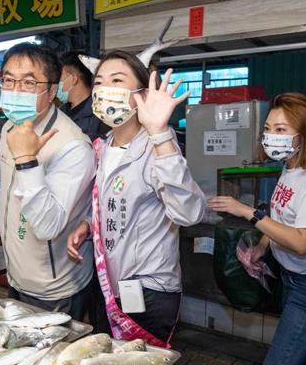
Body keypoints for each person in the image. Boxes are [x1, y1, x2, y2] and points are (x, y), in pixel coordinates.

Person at [208, 93, 306, 365]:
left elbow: (301, 242)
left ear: (305, 133)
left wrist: (247, 212)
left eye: (281, 130)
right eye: (268, 128)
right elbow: (283, 220)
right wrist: (262, 246)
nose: (270, 136)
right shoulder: (292, 168)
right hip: (295, 281)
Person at [66, 52, 205, 343]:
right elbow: (113, 204)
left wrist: (159, 132)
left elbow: (189, 214)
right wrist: (88, 225)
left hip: (150, 290)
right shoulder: (103, 147)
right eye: (100, 83)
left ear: (141, 94)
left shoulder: (158, 147)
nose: (105, 90)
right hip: (111, 285)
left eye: (117, 81)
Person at [0, 43, 96, 317]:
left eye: (29, 82)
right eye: (8, 80)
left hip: (54, 287)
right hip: (16, 275)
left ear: (52, 91)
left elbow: (47, 226)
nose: (15, 90)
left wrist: (27, 160)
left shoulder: (73, 145)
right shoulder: (9, 127)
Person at [58, 51, 109, 141]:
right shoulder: (60, 112)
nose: (55, 84)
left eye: (59, 79)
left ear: (73, 79)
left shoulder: (100, 115)